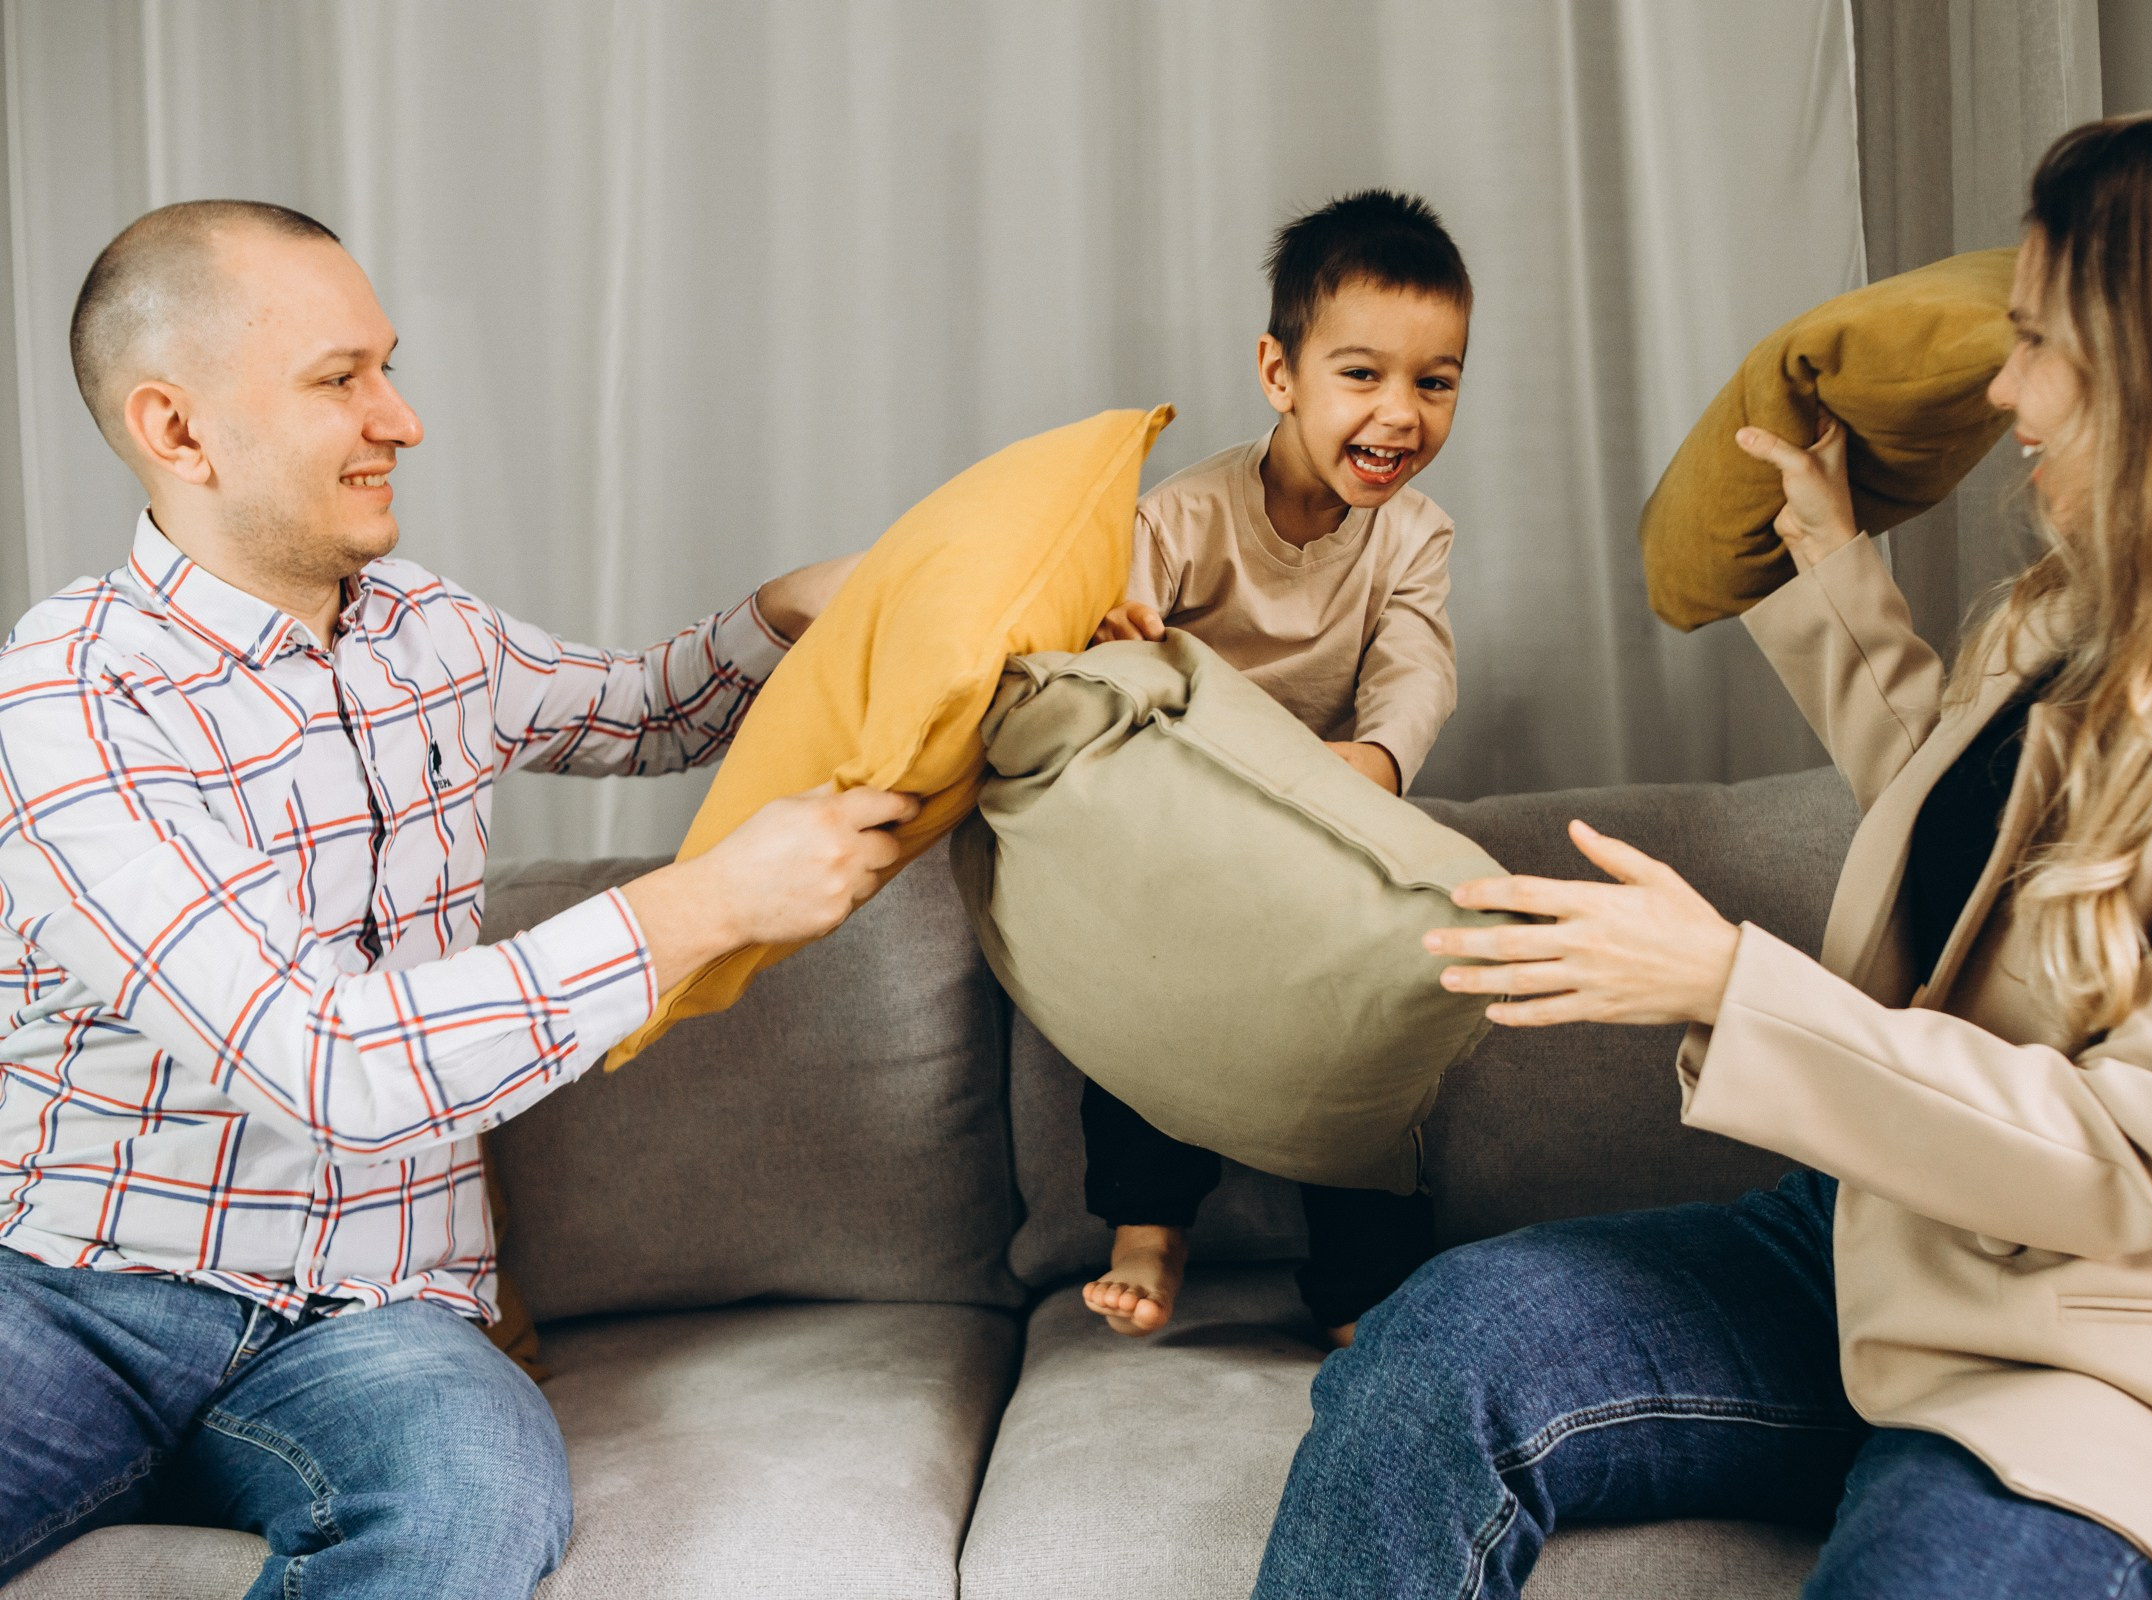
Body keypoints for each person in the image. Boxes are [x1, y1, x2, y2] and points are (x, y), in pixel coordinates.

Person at [1252, 110, 2152, 1600]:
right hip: (1878, 1248)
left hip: (2107, 1360)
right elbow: (1977, 824)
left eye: (2040, 340)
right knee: (1441, 1346)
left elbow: (2136, 1158)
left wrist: (1732, 986)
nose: (2005, 385)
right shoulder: (2095, 614)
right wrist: (1827, 562)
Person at [0, 200, 917, 1598]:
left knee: (473, 1510)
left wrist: (795, 611)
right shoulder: (67, 701)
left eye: (388, 366)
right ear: (177, 431)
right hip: (74, 1295)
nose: (404, 419)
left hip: (377, 1321)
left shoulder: (428, 631)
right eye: (340, 380)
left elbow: (647, 713)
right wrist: (703, 908)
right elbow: (323, 1062)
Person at [1078, 190, 1469, 1344]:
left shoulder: (1414, 535)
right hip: (1190, 817)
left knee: (1359, 1029)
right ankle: (1150, 1226)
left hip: (1323, 816)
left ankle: (1363, 1290)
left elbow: (1418, 666)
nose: (1399, 414)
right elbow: (1119, 639)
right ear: (1278, 372)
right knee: (1142, 984)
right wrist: (1125, 649)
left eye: (1434, 381)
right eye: (1363, 375)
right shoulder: (1188, 514)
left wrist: (1376, 761)